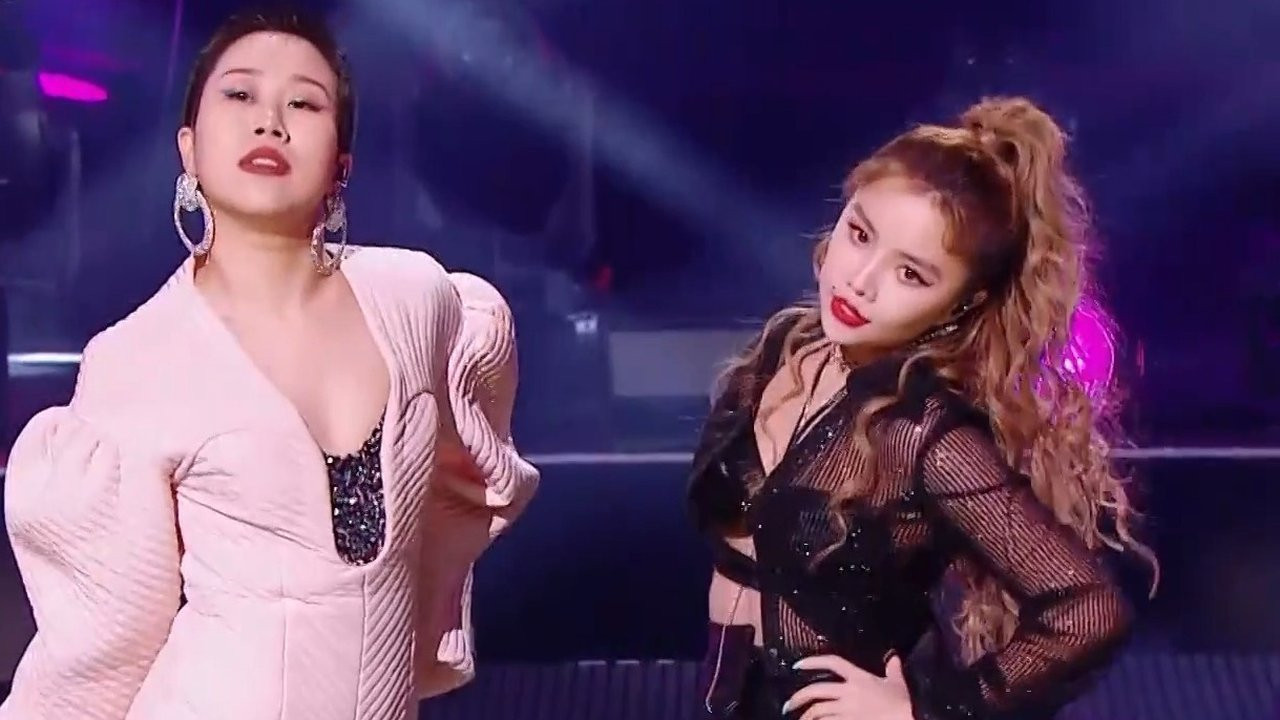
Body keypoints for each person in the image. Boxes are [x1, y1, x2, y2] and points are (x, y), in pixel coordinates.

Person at [0, 9, 538, 719]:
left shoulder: (418, 298)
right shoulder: (137, 359)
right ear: (189, 149)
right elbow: (106, 641)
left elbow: (470, 476)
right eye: (240, 94)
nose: (270, 122)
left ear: (342, 163)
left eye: (304, 104)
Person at [688, 96, 1157, 720]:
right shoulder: (784, 350)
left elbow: (1089, 610)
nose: (860, 281)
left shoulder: (923, 431)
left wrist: (930, 711)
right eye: (860, 235)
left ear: (963, 302)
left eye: (911, 274)